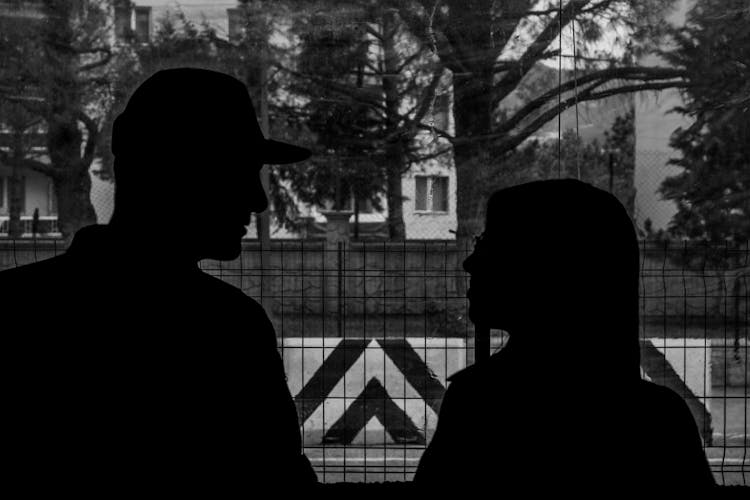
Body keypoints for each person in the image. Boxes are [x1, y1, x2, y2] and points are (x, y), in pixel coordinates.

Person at [0, 68, 317, 495]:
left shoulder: (12, 309)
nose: (257, 199)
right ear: (179, 173)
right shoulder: (228, 329)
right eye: (238, 171)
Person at [414, 179, 715, 493]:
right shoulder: (657, 421)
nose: (470, 262)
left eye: (490, 245)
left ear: (544, 268)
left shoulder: (479, 404)